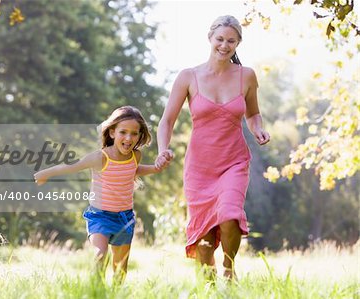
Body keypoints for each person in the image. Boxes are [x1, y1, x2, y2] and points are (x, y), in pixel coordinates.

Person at [155, 15, 270, 280]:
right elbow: (167, 121)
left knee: (230, 214)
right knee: (204, 239)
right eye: (220, 39)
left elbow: (253, 114)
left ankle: (229, 271)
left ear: (238, 43)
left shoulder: (246, 76)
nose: (224, 45)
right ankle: (208, 287)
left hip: (234, 160)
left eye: (231, 41)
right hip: (199, 167)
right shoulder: (188, 77)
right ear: (210, 38)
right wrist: (163, 149)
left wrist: (258, 129)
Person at [34, 106, 169, 284]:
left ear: (139, 135)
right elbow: (72, 166)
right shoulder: (100, 157)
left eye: (134, 134)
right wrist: (46, 173)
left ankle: (115, 294)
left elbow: (133, 170)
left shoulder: (136, 155)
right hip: (100, 216)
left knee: (120, 267)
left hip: (125, 218)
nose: (129, 138)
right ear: (112, 132)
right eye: (123, 132)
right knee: (100, 255)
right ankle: (96, 292)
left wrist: (155, 168)